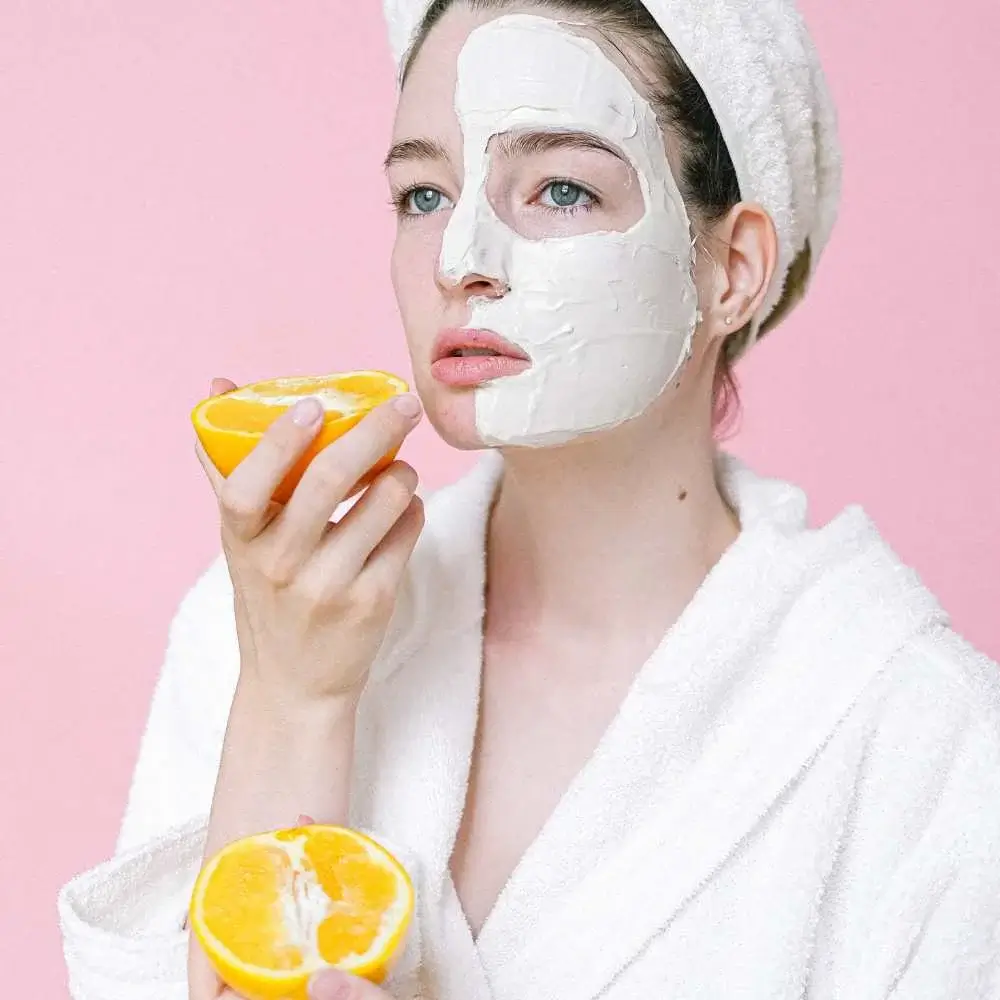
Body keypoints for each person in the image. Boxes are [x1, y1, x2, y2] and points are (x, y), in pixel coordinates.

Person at [58, 1, 1000, 998]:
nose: (458, 257)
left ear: (732, 269)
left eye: (559, 188)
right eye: (421, 194)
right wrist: (295, 703)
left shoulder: (932, 758)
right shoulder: (262, 628)